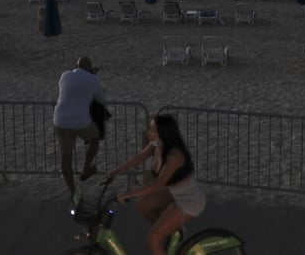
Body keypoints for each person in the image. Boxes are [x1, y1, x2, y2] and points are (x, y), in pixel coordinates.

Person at [105, 114, 205, 255]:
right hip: (174, 191)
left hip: (189, 199)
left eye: (153, 131)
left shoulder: (174, 155)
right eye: (150, 129)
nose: (149, 133)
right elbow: (139, 157)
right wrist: (117, 171)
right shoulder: (157, 145)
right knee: (142, 205)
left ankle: (165, 234)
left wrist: (129, 194)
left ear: (164, 133)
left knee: (153, 238)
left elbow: (157, 185)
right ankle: (172, 231)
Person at [52, 56, 107, 198]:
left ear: (75, 66)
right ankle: (86, 168)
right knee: (94, 139)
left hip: (60, 120)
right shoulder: (93, 80)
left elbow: (73, 86)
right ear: (90, 68)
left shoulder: (65, 75)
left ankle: (73, 192)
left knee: (66, 158)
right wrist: (93, 77)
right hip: (80, 121)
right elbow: (102, 99)